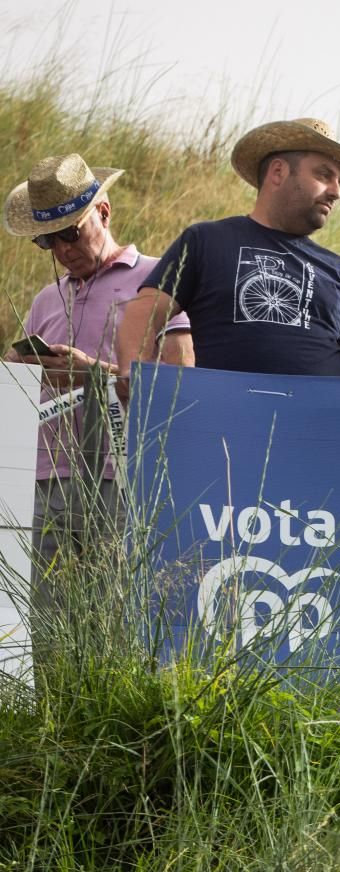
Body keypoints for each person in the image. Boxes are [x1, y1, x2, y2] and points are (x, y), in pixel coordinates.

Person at [3, 152, 191, 605]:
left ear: (103, 213)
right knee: (42, 623)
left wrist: (94, 375)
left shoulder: (157, 278)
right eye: (48, 242)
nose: (63, 250)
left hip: (121, 476)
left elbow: (182, 385)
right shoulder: (46, 299)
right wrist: (17, 371)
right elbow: (12, 390)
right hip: (44, 480)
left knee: (114, 618)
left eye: (70, 232)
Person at [117, 118, 340, 380]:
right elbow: (146, 311)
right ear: (278, 172)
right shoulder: (206, 240)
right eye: (324, 174)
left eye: (339, 180)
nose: (336, 191)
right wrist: (134, 371)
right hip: (229, 416)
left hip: (321, 421)